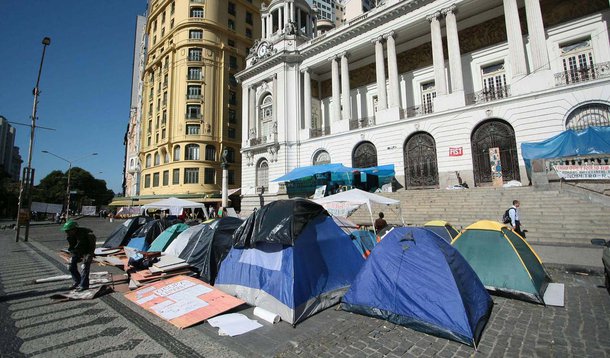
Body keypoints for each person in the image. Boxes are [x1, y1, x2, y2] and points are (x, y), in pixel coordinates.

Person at [62, 220, 96, 291]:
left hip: (87, 251)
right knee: (71, 266)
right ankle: (77, 281)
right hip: (77, 251)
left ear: (74, 229)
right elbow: (72, 246)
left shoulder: (88, 234)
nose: (66, 232)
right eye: (66, 231)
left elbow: (92, 246)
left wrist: (89, 255)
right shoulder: (70, 235)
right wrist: (71, 255)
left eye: (68, 231)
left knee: (85, 267)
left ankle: (84, 285)